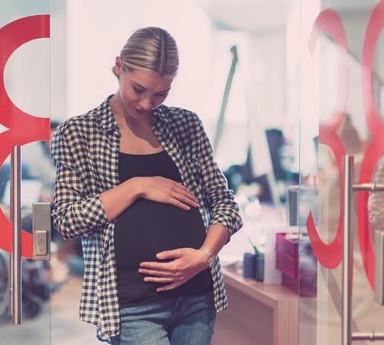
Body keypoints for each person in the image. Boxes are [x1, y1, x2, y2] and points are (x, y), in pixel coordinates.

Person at [51, 27, 243, 344]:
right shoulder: (79, 132)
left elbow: (225, 203)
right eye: (138, 89)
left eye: (160, 93)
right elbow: (68, 220)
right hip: (131, 306)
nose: (146, 103)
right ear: (118, 66)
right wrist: (137, 185)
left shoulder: (186, 125)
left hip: (197, 297)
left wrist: (204, 255)